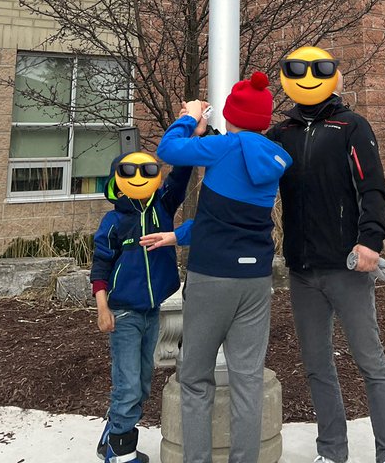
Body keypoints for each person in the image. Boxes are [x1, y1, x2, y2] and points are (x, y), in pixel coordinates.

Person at [266, 46, 385, 463]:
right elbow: (245, 158)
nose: (309, 76)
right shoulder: (281, 134)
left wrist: (370, 243)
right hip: (302, 270)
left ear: (335, 77)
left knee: (370, 360)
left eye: (321, 69)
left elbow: (373, 187)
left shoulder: (351, 126)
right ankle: (331, 451)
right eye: (298, 69)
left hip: (347, 265)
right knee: (316, 365)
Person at [156, 73, 292, 463]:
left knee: (195, 378)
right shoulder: (273, 156)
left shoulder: (222, 148)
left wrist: (189, 118)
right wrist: (176, 236)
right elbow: (227, 218)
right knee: (247, 379)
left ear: (231, 116)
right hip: (254, 280)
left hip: (212, 276)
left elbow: (169, 149)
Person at [90, 148, 197, 463]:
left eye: (147, 171)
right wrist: (102, 307)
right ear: (116, 181)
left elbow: (180, 176)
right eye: (129, 173)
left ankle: (111, 437)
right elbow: (100, 266)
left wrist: (193, 140)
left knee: (142, 384)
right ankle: (120, 456)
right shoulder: (114, 221)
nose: (139, 179)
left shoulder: (162, 207)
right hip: (123, 313)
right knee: (128, 386)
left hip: (151, 310)